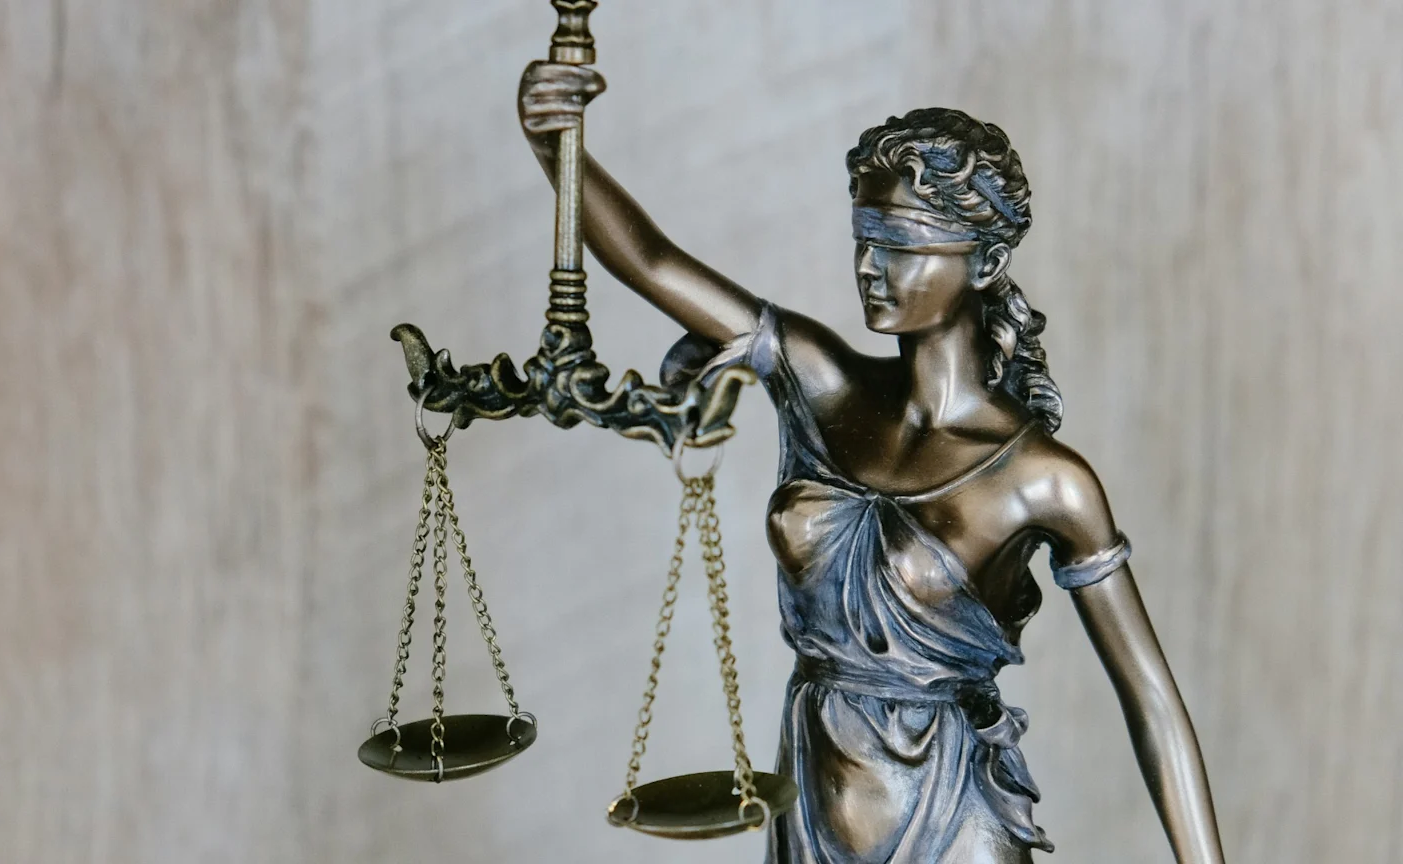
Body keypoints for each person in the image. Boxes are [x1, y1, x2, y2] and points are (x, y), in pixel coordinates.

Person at [519, 61, 1224, 863]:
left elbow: (1153, 704)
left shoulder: (1045, 480)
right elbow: (651, 263)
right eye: (864, 239)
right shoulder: (820, 383)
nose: (869, 267)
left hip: (957, 816)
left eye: (903, 245)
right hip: (816, 803)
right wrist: (557, 152)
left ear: (985, 265)